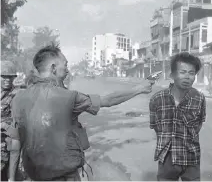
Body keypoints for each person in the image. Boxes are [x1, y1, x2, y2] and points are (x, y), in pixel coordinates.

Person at [9, 43, 155, 181]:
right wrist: (140, 88)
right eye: (65, 65)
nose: (67, 70)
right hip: (65, 176)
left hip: (35, 176)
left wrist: (10, 178)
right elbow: (108, 100)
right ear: (53, 68)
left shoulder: (18, 98)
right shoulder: (69, 97)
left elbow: (15, 145)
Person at [149, 52, 206, 181]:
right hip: (166, 158)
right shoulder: (157, 99)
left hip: (191, 157)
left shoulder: (199, 98)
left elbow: (199, 124)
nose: (187, 77)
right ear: (172, 75)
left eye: (191, 73)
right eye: (183, 72)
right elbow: (155, 127)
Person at [1, 61, 19, 181]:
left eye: (10, 77)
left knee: (15, 142)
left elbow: (17, 118)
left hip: (7, 134)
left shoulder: (17, 94)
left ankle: (11, 178)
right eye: (4, 76)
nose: (7, 80)